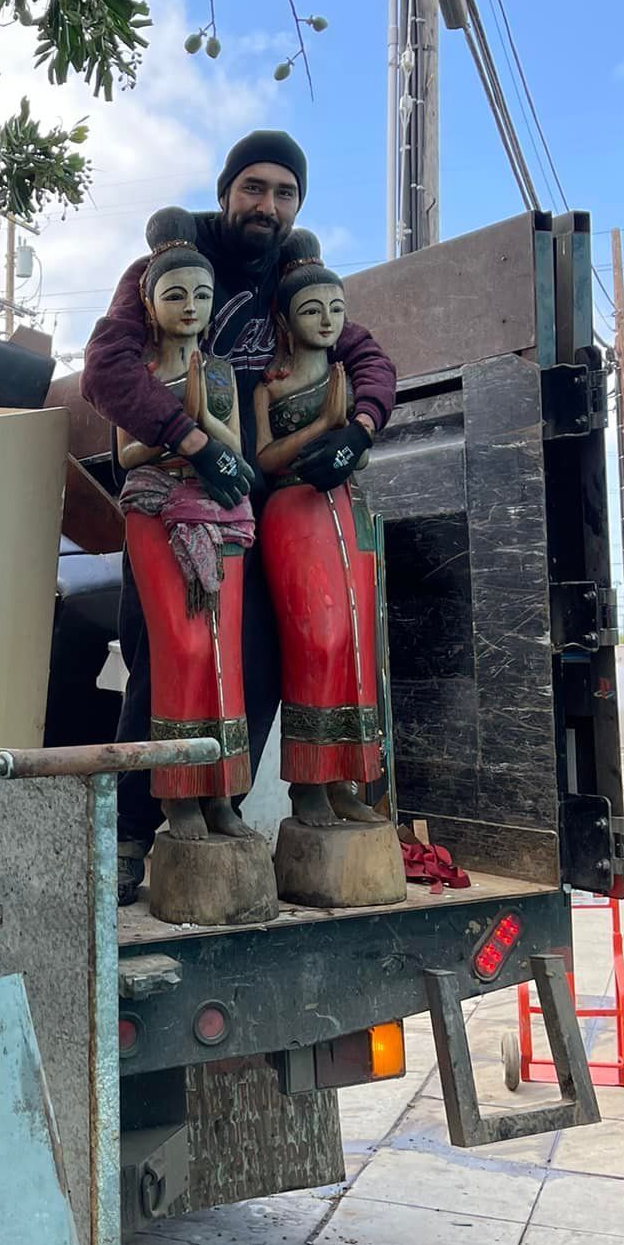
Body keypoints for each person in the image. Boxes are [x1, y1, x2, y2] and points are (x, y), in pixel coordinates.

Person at [82, 129, 397, 902]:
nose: (267, 204)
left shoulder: (295, 281)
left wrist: (358, 431)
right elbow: (108, 368)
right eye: (253, 187)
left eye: (285, 192)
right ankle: (130, 836)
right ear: (227, 191)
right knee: (166, 657)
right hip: (177, 498)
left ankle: (218, 807)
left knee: (256, 664)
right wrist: (188, 436)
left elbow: (369, 360)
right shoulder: (161, 272)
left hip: (267, 505)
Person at [115, 208, 258, 843]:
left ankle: (224, 792)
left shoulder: (222, 371)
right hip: (155, 512)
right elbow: (126, 454)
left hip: (219, 514)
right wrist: (184, 435)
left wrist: (204, 422)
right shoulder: (138, 377)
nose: (192, 306)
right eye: (176, 295)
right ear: (150, 304)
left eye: (202, 295)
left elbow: (238, 448)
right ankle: (178, 797)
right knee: (182, 649)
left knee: (225, 650)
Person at [253, 232, 386, 832]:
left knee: (357, 644)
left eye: (336, 309)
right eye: (312, 310)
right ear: (284, 319)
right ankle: (307, 785)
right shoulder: (270, 385)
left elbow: (357, 455)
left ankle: (346, 779)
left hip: (346, 512)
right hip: (293, 515)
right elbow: (265, 459)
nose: (327, 321)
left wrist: (351, 435)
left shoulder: (349, 377)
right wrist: (324, 427)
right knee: (317, 642)